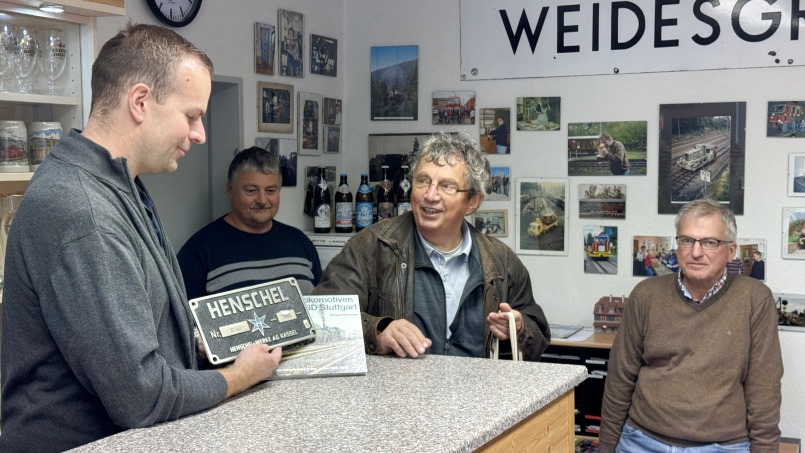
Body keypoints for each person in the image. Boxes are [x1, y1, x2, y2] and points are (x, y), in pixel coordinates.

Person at [0, 24, 282, 452]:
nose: (200, 134)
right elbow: (142, 396)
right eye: (191, 115)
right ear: (140, 102)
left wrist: (192, 340)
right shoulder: (84, 212)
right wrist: (241, 375)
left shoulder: (116, 183)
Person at [312, 131, 550, 360]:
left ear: (473, 202)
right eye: (423, 181)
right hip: (395, 399)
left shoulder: (501, 261)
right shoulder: (369, 247)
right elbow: (320, 321)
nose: (430, 195)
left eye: (447, 186)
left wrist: (518, 328)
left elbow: (539, 340)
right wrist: (378, 332)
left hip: (479, 399)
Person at [600, 198, 783, 452]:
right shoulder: (646, 295)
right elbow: (619, 379)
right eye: (687, 240)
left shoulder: (755, 299)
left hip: (722, 446)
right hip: (642, 440)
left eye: (709, 242)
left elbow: (764, 388)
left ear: (731, 250)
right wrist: (607, 447)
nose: (696, 252)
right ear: (677, 246)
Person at [178, 147, 322, 300]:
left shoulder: (301, 243)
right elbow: (185, 321)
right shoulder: (198, 251)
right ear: (230, 189)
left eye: (270, 190)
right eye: (251, 190)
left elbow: (322, 307)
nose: (262, 200)